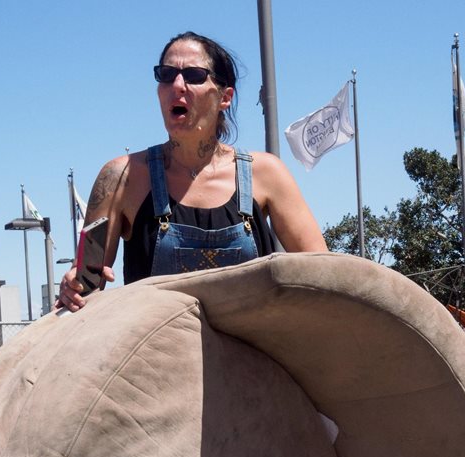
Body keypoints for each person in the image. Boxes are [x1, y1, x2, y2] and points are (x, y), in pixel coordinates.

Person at [56, 31, 327, 311]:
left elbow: (324, 274)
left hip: (251, 352)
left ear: (225, 97)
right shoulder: (120, 178)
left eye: (194, 75)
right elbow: (86, 281)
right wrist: (73, 286)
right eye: (166, 74)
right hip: (157, 353)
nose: (177, 84)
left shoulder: (267, 174)